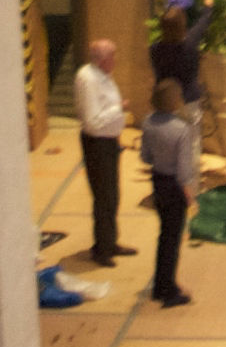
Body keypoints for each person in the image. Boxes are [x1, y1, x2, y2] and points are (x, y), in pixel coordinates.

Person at [71, 41, 133, 271]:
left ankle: (110, 242)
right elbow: (92, 122)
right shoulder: (88, 80)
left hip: (109, 142)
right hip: (97, 145)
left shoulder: (104, 74)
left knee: (113, 195)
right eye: (112, 57)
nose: (115, 62)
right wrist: (119, 108)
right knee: (103, 196)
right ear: (102, 59)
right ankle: (101, 249)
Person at [140, 79, 202, 304]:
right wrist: (190, 194)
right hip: (176, 186)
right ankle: (168, 290)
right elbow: (185, 169)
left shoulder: (147, 123)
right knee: (173, 240)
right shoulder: (181, 130)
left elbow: (144, 156)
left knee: (164, 236)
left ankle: (161, 283)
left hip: (158, 181)